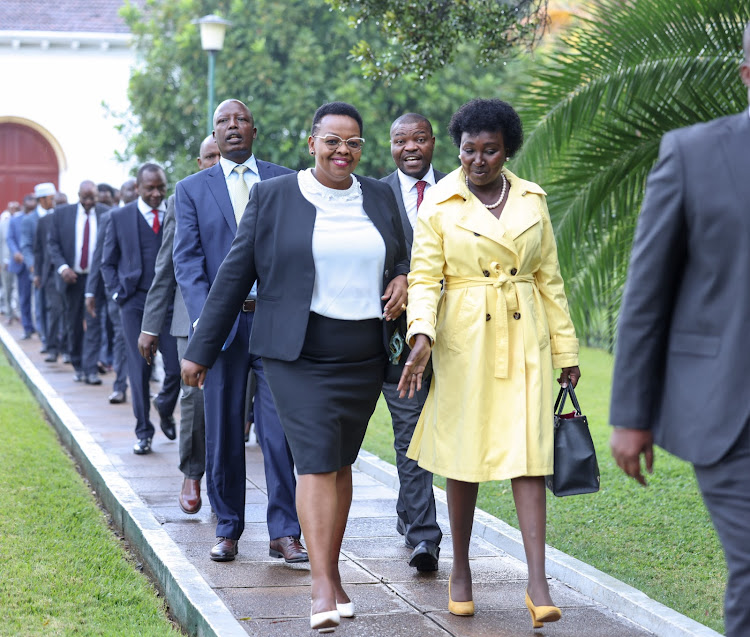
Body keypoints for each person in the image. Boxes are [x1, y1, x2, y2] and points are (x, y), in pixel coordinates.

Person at [181, 101, 408, 633]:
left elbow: (400, 255)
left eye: (353, 142)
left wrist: (402, 277)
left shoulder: (377, 194)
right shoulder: (276, 195)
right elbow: (234, 275)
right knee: (313, 460)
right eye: (332, 140)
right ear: (312, 144)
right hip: (296, 351)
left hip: (361, 351)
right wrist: (201, 349)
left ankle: (330, 570)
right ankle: (322, 583)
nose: (342, 151)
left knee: (340, 462)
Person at [398, 98, 580, 627]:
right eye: (468, 149)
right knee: (464, 455)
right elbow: (424, 277)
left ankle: (537, 579)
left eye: (490, 150)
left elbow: (550, 279)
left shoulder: (532, 199)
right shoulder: (439, 202)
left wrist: (566, 351)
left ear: (507, 151)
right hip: (464, 340)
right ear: (458, 148)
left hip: (525, 337)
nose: (478, 160)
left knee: (528, 455)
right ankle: (460, 570)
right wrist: (422, 334)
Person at [609, 22, 750, 637]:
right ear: (747, 75)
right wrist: (631, 414)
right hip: (729, 408)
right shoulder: (694, 154)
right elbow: (648, 292)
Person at [174, 99, 305, 564]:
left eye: (241, 120)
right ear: (215, 132)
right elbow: (187, 262)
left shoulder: (286, 181)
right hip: (222, 327)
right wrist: (204, 323)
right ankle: (227, 529)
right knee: (224, 431)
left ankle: (285, 532)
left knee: (279, 432)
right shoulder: (191, 189)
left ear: (254, 129)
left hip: (275, 324)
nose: (232, 127)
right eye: (223, 122)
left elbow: (298, 249)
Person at [137, 135, 219, 514]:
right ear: (200, 163)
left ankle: (225, 486)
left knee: (240, 403)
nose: (217, 161)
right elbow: (166, 268)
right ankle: (192, 472)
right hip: (192, 318)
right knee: (195, 397)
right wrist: (151, 325)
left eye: (221, 155)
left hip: (246, 315)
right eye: (210, 157)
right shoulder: (182, 199)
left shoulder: (256, 192)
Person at [380, 112, 445, 571]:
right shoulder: (374, 195)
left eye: (418, 139)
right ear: (390, 146)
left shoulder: (460, 190)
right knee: (410, 433)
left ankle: (409, 513)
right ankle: (426, 538)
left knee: (447, 433)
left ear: (433, 142)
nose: (410, 148)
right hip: (397, 340)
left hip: (460, 335)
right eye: (401, 140)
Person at [100, 164, 180, 455]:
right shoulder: (119, 217)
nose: (157, 193)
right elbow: (107, 262)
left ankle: (166, 407)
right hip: (134, 302)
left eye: (161, 187)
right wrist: (118, 294)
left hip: (170, 303)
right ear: (138, 188)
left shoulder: (176, 210)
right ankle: (144, 431)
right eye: (151, 189)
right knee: (139, 369)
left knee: (175, 367)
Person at [47, 181, 108, 384]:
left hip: (96, 279)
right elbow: (53, 244)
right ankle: (78, 364)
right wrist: (63, 268)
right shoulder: (62, 214)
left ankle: (90, 369)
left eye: (93, 198)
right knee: (73, 323)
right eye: (85, 198)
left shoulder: (106, 214)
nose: (89, 202)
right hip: (72, 278)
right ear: (78, 195)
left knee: (94, 323)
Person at [85, 204, 128, 404]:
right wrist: (91, 290)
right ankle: (119, 386)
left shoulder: (160, 213)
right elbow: (99, 258)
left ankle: (147, 385)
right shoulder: (112, 217)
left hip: (152, 293)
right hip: (120, 293)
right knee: (121, 337)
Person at [22, 183, 57, 352]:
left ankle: (54, 340)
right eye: (51, 199)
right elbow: (27, 246)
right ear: (42, 199)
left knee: (55, 307)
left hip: (55, 270)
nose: (54, 201)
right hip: (39, 270)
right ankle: (45, 339)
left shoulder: (58, 215)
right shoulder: (29, 220)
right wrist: (33, 267)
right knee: (41, 305)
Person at [33, 196, 66, 362]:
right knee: (54, 310)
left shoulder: (72, 220)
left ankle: (67, 348)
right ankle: (52, 347)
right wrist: (37, 273)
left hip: (69, 273)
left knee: (69, 312)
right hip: (51, 273)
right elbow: (38, 249)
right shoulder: (45, 221)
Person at [7, 194, 36, 339]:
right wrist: (16, 252)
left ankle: (40, 327)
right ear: (24, 204)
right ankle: (27, 327)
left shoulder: (39, 219)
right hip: (21, 263)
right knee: (24, 297)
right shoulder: (14, 220)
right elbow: (10, 238)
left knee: (38, 298)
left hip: (35, 263)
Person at [0, 201, 21, 322]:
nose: (13, 211)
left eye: (16, 209)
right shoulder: (3, 224)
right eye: (11, 209)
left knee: (18, 289)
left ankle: (17, 312)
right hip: (5, 261)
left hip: (18, 262)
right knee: (7, 288)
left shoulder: (22, 222)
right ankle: (8, 312)